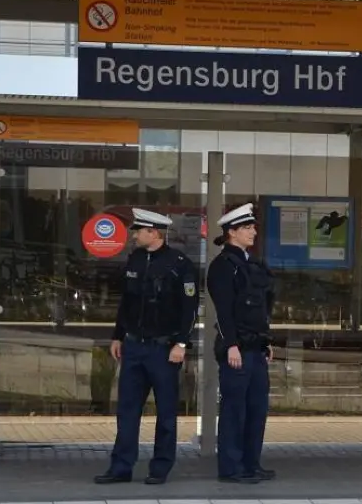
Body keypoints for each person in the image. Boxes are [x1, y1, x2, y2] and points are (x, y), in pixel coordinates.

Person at [94, 208, 199, 485]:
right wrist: (118, 335)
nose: (135, 235)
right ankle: (121, 467)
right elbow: (126, 303)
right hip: (134, 347)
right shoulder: (135, 260)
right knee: (127, 411)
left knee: (165, 413)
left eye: (139, 231)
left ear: (154, 232)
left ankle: (160, 468)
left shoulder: (180, 264)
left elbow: (189, 310)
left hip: (164, 350)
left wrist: (181, 343)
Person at [206, 203, 277, 485]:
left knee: (256, 409)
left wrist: (266, 341)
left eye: (253, 227)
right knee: (234, 411)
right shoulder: (223, 266)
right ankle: (231, 467)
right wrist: (231, 344)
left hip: (256, 348)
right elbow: (223, 311)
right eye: (247, 228)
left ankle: (251, 464)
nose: (253, 232)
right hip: (237, 350)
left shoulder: (252, 264)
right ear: (231, 232)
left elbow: (260, 310)